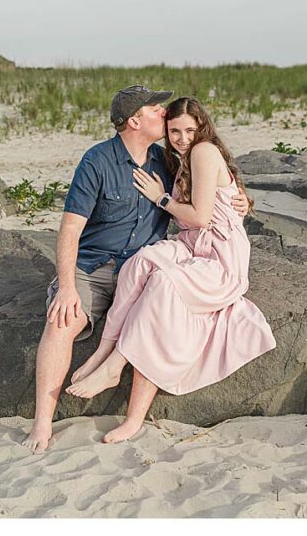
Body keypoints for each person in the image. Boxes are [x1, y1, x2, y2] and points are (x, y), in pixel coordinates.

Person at [22, 86, 251, 453]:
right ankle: (42, 425)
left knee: (159, 308)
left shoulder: (168, 158)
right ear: (134, 120)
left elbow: (212, 183)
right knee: (62, 320)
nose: (163, 113)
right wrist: (66, 287)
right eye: (156, 109)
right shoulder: (97, 162)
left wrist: (239, 196)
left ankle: (126, 403)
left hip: (142, 264)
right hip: (94, 265)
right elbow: (70, 229)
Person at [66, 96, 276, 443]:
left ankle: (122, 385)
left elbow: (200, 216)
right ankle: (102, 355)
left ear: (202, 128)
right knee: (139, 264)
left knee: (161, 287)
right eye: (174, 130)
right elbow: (221, 196)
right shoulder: (178, 158)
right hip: (193, 246)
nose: (181, 138)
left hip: (220, 260)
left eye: (189, 130)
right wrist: (241, 196)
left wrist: (161, 198)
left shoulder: (203, 151)